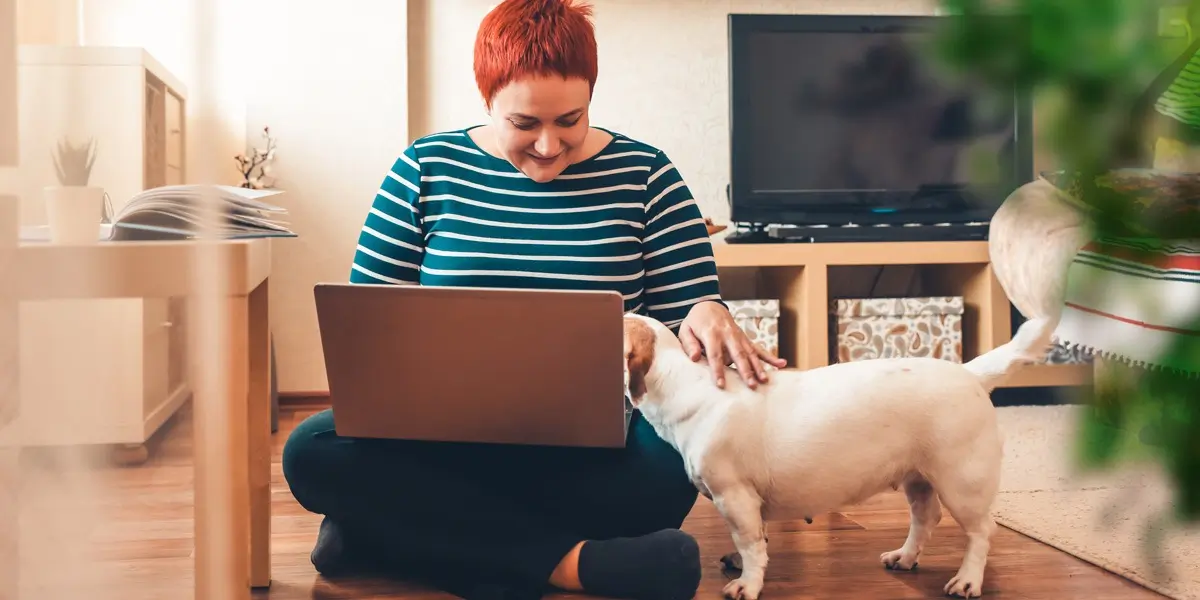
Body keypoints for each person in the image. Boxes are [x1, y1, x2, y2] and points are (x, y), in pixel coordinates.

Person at [281, 0, 785, 598]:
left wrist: (707, 310)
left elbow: (689, 315)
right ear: (486, 100)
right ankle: (571, 565)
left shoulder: (648, 176)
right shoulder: (424, 168)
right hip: (445, 442)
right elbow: (366, 329)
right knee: (310, 451)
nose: (549, 146)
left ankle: (385, 529)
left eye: (570, 120)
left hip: (602, 445)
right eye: (524, 124)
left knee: (672, 470)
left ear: (591, 97)